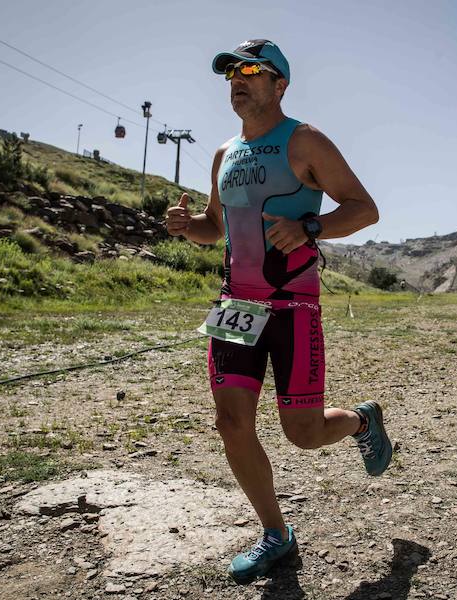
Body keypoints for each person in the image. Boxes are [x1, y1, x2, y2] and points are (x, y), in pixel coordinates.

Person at [166, 39, 391, 585]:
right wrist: (188, 227)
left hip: (293, 305)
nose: (238, 81)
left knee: (303, 434)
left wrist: (311, 225)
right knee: (230, 422)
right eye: (231, 74)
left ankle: (363, 421)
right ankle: (276, 532)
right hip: (235, 306)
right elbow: (214, 227)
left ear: (280, 84)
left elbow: (364, 209)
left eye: (250, 70)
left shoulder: (304, 140)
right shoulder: (223, 154)